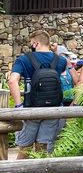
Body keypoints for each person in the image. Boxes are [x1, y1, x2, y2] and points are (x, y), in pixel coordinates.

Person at [8, 31, 67, 162]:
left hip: (31, 109)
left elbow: (12, 81)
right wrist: (55, 51)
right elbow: (62, 71)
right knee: (43, 147)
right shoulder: (60, 60)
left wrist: (18, 105)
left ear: (36, 43)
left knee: (25, 148)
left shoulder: (24, 59)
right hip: (52, 109)